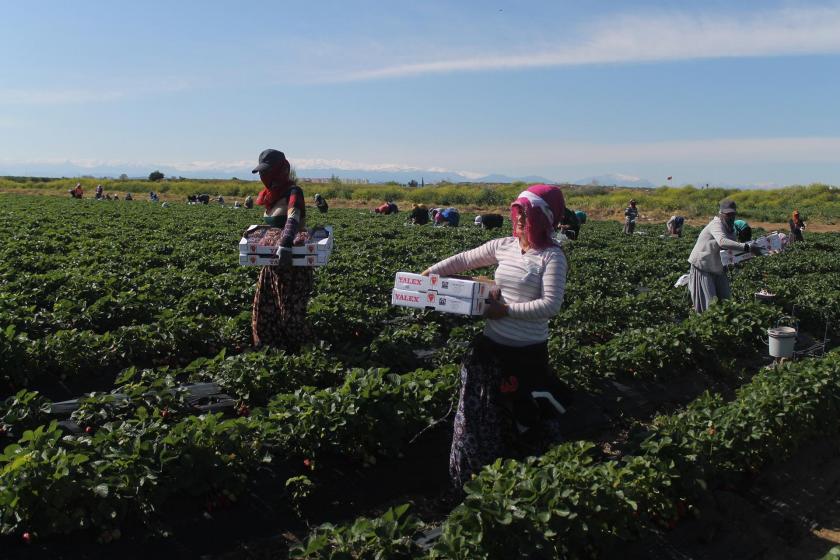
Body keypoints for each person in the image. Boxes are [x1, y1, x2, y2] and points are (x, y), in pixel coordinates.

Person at [421, 184, 569, 487]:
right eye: (517, 212)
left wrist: (506, 311)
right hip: (490, 351)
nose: (518, 219)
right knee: (476, 424)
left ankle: (525, 489)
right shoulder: (504, 245)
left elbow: (551, 305)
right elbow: (463, 260)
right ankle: (472, 486)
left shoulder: (552, 257)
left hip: (527, 356)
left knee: (525, 423)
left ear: (543, 218)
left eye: (525, 214)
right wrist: (429, 275)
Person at [250, 148, 314, 352]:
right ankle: (270, 351)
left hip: (291, 263)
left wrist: (285, 243)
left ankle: (301, 355)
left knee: (290, 313)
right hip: (272, 264)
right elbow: (273, 226)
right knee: (266, 311)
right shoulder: (270, 196)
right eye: (261, 172)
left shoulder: (294, 192)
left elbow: (292, 219)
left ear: (281, 170)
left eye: (267, 171)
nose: (263, 176)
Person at [687, 199, 762, 313]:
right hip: (703, 267)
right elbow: (722, 241)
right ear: (721, 213)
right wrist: (748, 247)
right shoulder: (716, 224)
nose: (730, 217)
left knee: (726, 300)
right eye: (727, 214)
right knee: (709, 305)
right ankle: (706, 325)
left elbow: (731, 251)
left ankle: (724, 325)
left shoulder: (731, 229)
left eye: (732, 214)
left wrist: (746, 257)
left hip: (718, 268)